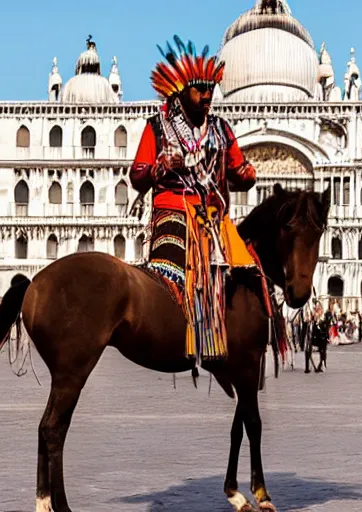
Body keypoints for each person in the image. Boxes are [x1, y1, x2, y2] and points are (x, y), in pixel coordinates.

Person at [129, 36, 258, 364]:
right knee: (176, 272)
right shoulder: (158, 128)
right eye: (199, 90)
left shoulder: (220, 129)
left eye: (211, 90)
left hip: (212, 217)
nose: (207, 97)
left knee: (251, 272)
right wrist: (160, 166)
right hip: (172, 209)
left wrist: (245, 173)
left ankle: (244, 337)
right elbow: (138, 175)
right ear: (179, 92)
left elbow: (240, 170)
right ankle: (189, 337)